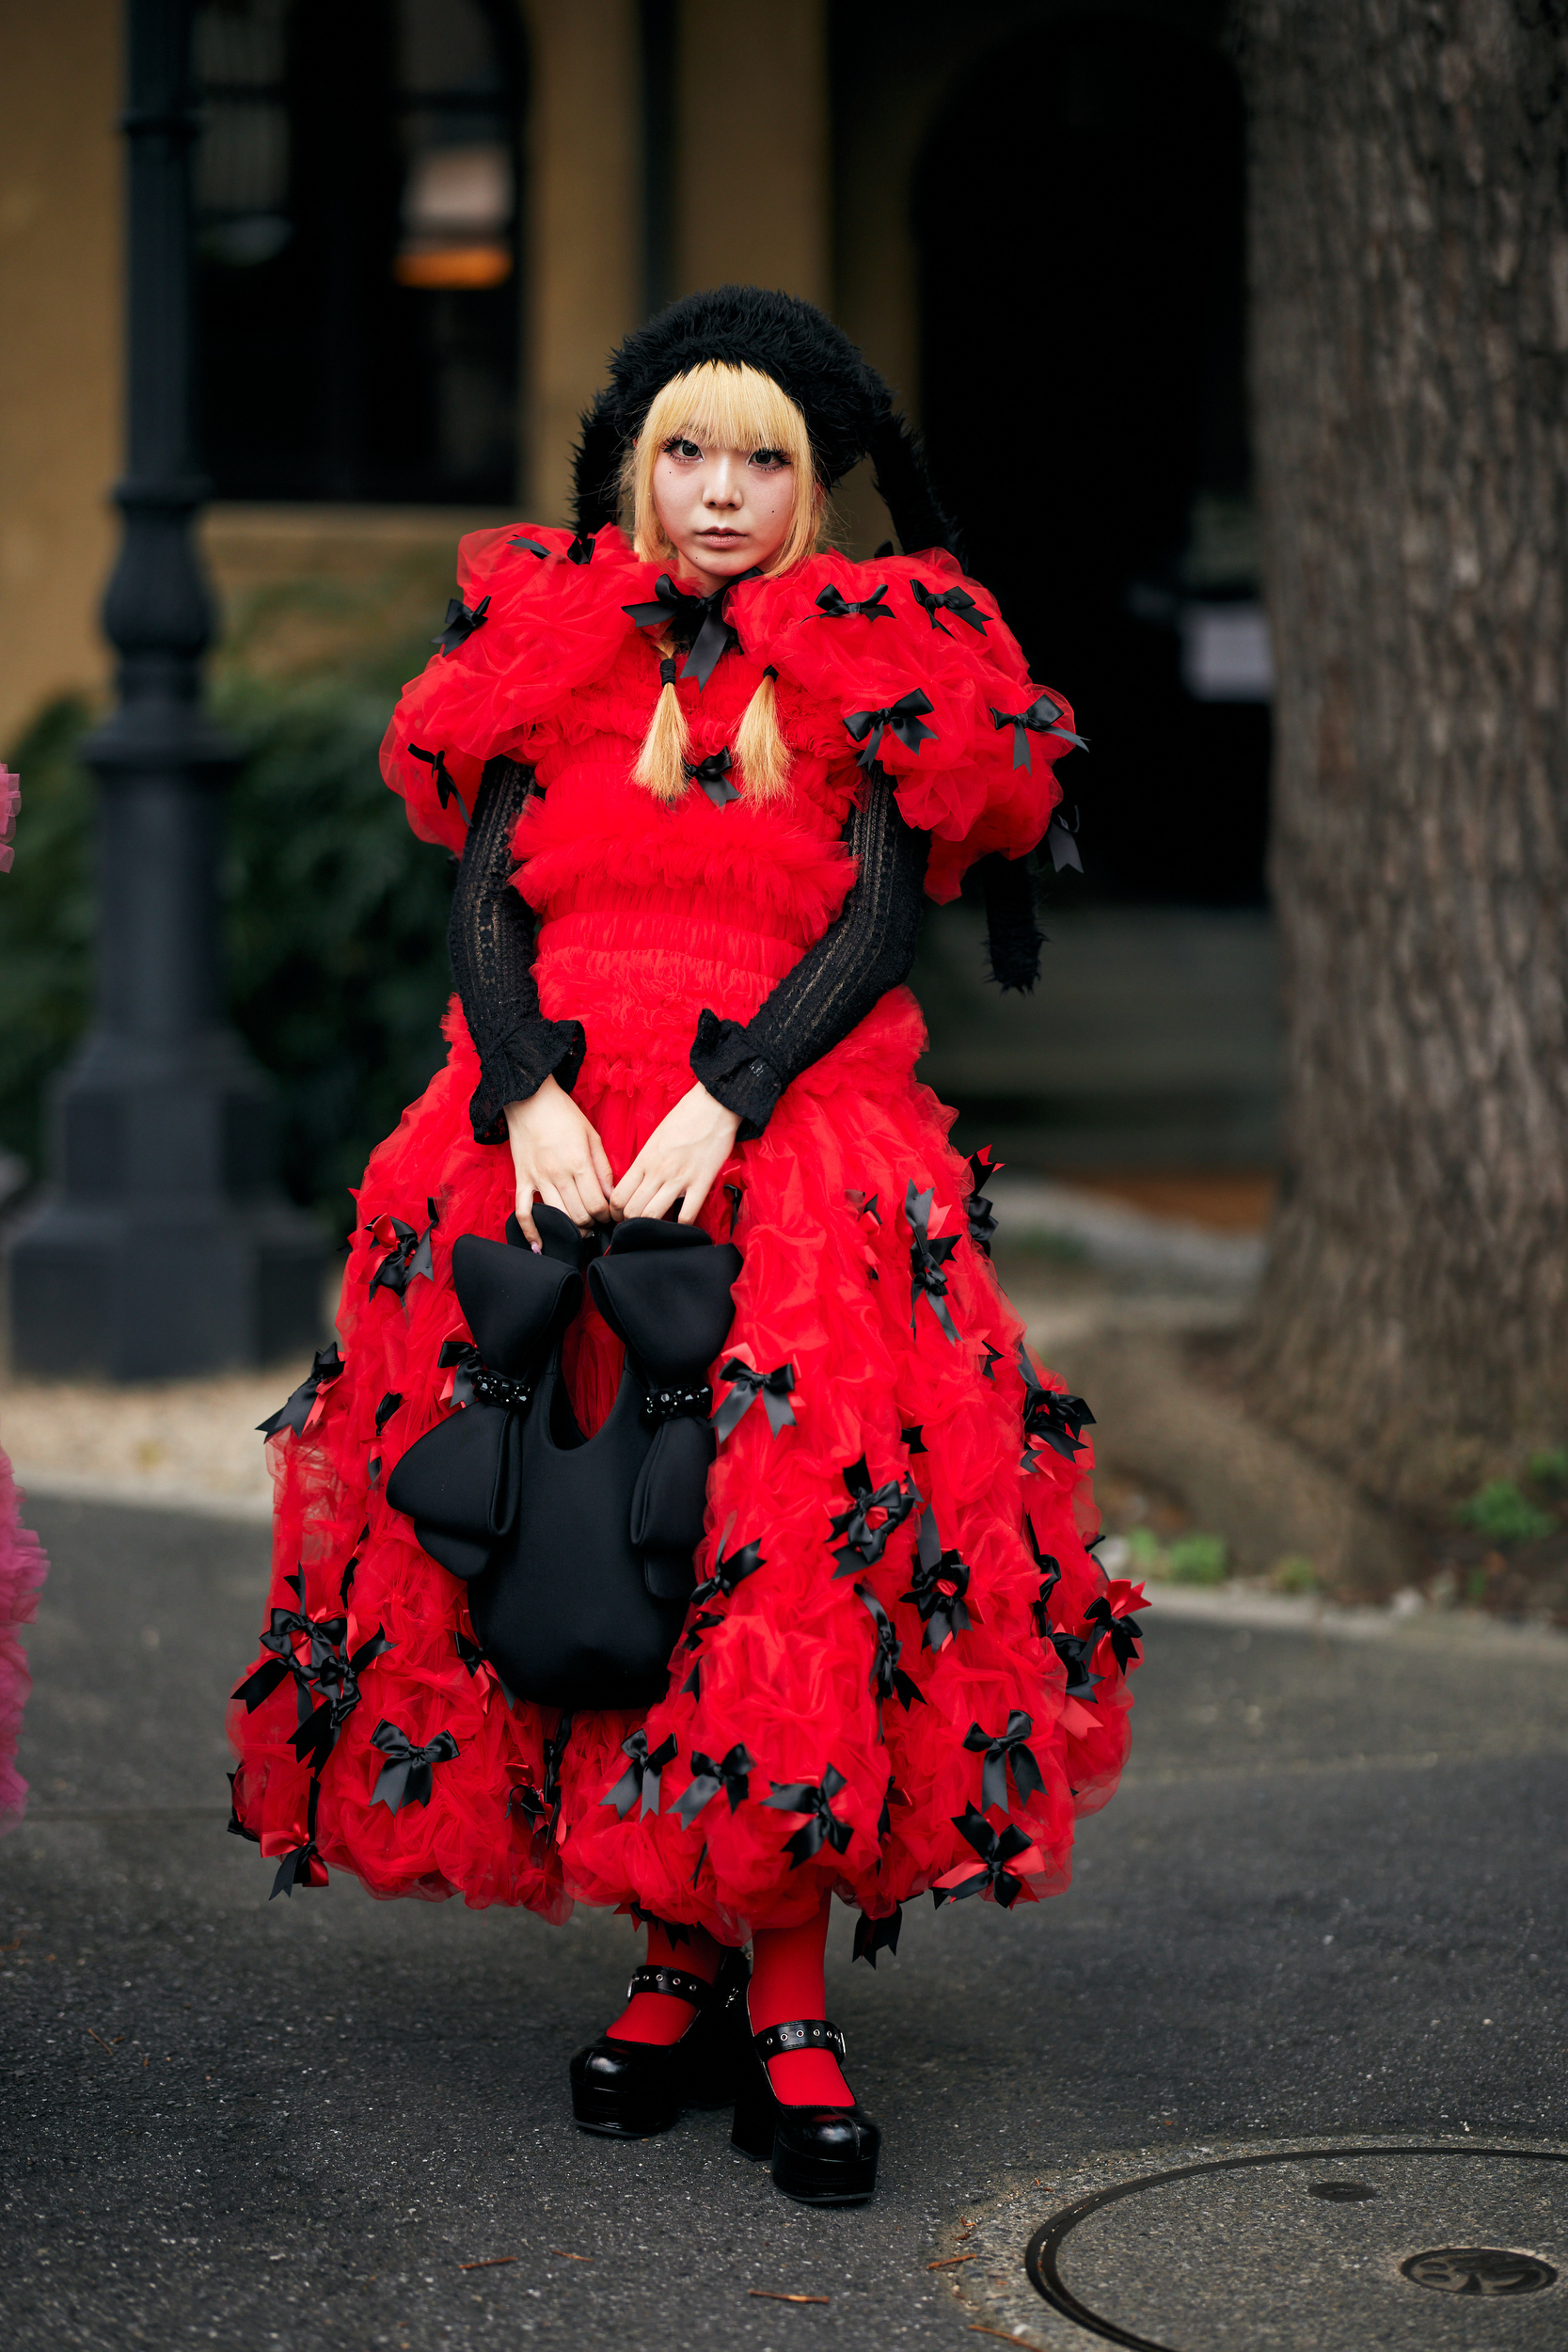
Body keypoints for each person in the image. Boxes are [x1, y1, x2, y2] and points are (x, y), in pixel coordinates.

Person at [228, 288, 1142, 2207]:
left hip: (789, 1155)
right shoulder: (549, 636)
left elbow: (882, 916)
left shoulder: (880, 648)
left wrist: (726, 1101)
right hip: (554, 1147)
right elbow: (485, 905)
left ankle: (788, 2001)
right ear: (638, 469)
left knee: (767, 1560)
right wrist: (531, 1096)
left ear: (819, 484)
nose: (721, 494)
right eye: (687, 455)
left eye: (764, 461)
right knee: (586, 1544)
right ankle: (670, 1963)